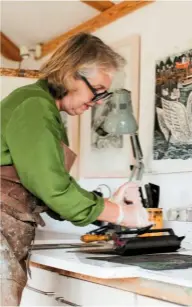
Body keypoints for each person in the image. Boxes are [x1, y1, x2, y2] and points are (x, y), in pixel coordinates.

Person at [0, 32, 150, 306]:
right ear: (71, 75)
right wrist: (121, 214)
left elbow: (48, 185)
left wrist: (105, 204)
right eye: (98, 90)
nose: (100, 101)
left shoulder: (39, 106)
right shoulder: (34, 106)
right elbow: (52, 188)